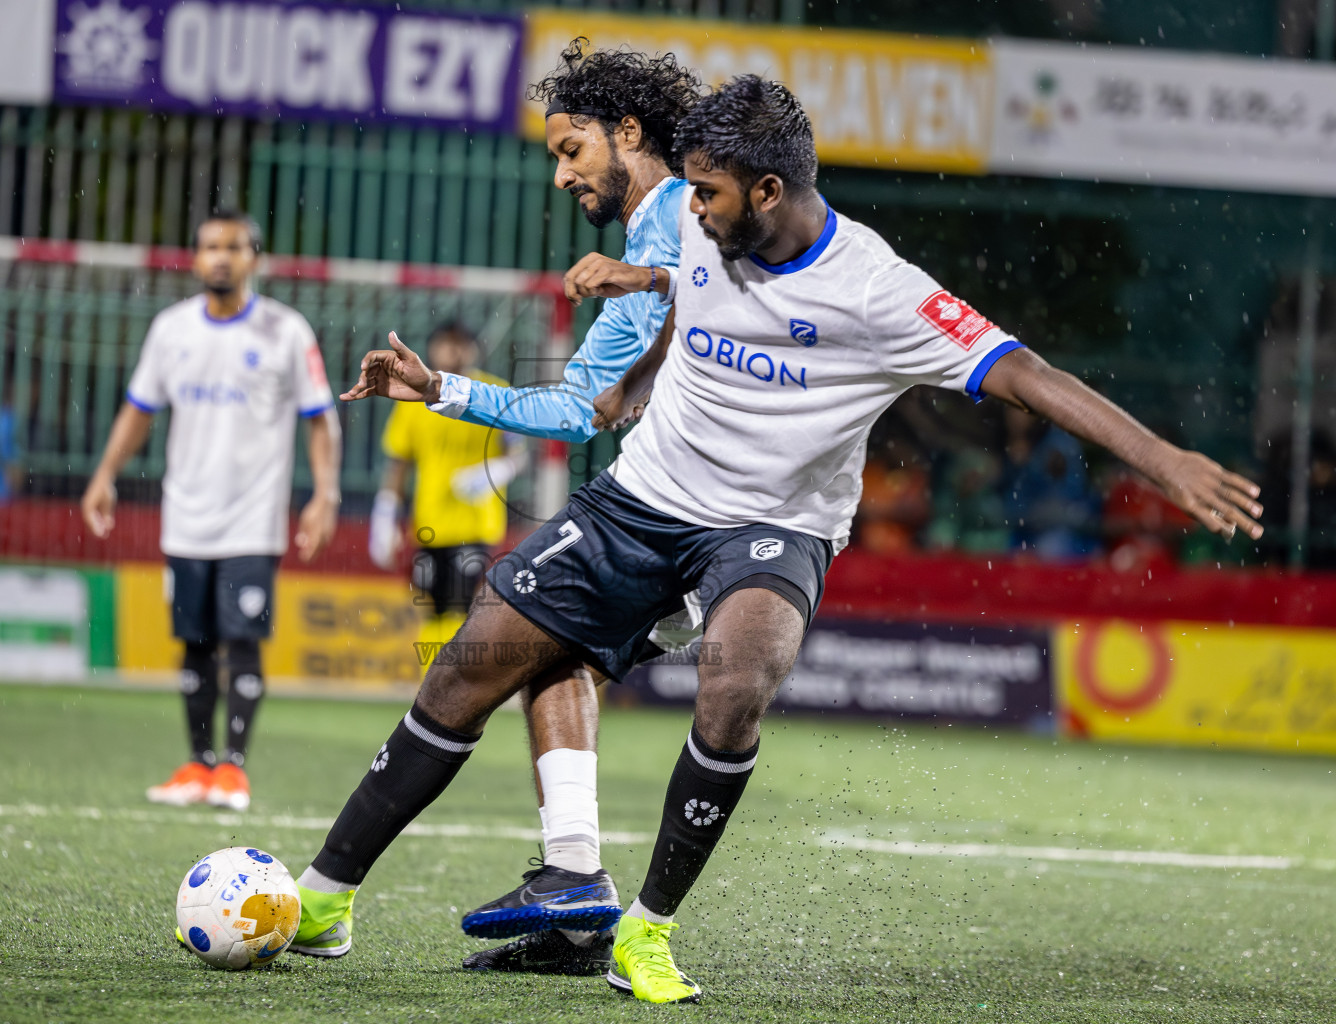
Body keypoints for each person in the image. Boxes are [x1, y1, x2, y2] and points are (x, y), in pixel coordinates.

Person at [289, 76, 1262, 1003]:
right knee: (472, 662)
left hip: (772, 525)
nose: (691, 210)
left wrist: (1162, 460)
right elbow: (683, 282)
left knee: (740, 668)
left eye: (707, 195)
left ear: (768, 191)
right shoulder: (704, 228)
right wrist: (640, 339)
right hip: (643, 499)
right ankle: (327, 896)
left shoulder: (879, 291)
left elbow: (1027, 375)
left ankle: (646, 930)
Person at [415, 40, 702, 975]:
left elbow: (743, 295)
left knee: (517, 634)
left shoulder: (688, 210)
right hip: (685, 516)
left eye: (571, 150)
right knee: (554, 643)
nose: (561, 174)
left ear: (627, 133)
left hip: (722, 524)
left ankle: (614, 911)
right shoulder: (653, 233)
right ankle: (579, 898)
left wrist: (651, 282)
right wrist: (440, 390)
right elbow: (576, 407)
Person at [80, 209, 341, 813]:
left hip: (253, 517)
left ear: (254, 257)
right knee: (193, 642)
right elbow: (139, 408)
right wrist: (104, 475)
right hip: (186, 515)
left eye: (232, 247)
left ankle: (235, 769)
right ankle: (198, 765)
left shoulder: (285, 330)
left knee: (241, 640)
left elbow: (319, 420)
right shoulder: (172, 330)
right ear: (195, 258)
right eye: (208, 247)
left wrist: (324, 494)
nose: (220, 257)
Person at [369, 323, 523, 651]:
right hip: (429, 522)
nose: (453, 352)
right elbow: (399, 460)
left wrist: (494, 471)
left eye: (461, 344)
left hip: (475, 523)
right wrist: (385, 513)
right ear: (433, 349)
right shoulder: (414, 397)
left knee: (462, 606)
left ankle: (455, 684)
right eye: (446, 344)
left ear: (474, 350)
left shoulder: (493, 391)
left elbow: (519, 454)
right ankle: (432, 684)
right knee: (431, 607)